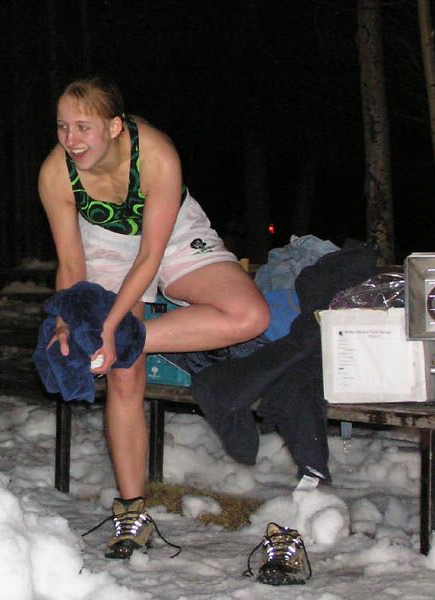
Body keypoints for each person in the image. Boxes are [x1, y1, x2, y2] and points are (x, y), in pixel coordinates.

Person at [38, 74, 270, 558]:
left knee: (249, 314)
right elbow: (71, 263)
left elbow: (150, 258)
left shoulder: (157, 155)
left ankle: (132, 338)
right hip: (103, 242)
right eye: (62, 127)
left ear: (116, 126)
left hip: (170, 231)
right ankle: (132, 513)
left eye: (84, 127)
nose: (71, 140)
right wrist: (66, 319)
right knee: (125, 379)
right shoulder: (57, 173)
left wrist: (111, 328)